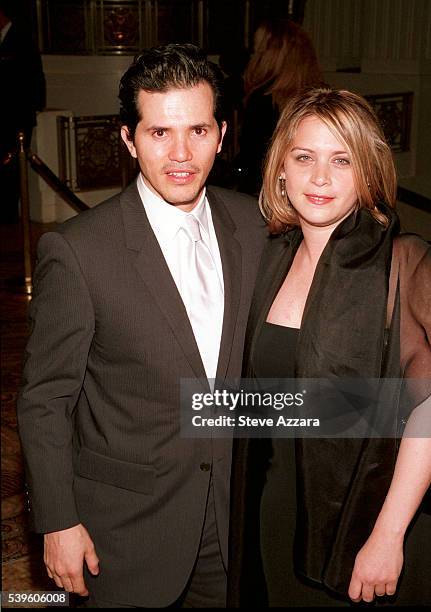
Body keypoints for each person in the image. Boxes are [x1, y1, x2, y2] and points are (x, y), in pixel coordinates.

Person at [17, 43, 266, 608]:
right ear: (128, 139)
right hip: (126, 532)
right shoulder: (78, 252)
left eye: (198, 131)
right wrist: (58, 523)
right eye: (159, 133)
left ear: (222, 135)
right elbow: (45, 398)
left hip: (231, 523)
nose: (181, 154)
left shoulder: (253, 227)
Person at [229, 88, 431, 607]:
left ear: (367, 172)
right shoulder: (269, 259)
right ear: (280, 170)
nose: (320, 178)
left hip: (371, 522)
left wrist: (388, 535)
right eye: (305, 157)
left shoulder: (404, 264)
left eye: (341, 160)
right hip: (276, 510)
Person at [235, 18, 322, 195]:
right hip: (305, 192)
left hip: (264, 195)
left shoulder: (263, 101)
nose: (254, 55)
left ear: (271, 54)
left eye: (258, 49)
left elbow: (251, 158)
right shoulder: (321, 99)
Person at [0, 0, 45, 222]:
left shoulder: (22, 38)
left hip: (17, 120)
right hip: (3, 120)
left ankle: (10, 216)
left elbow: (33, 78)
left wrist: (35, 108)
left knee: (14, 170)